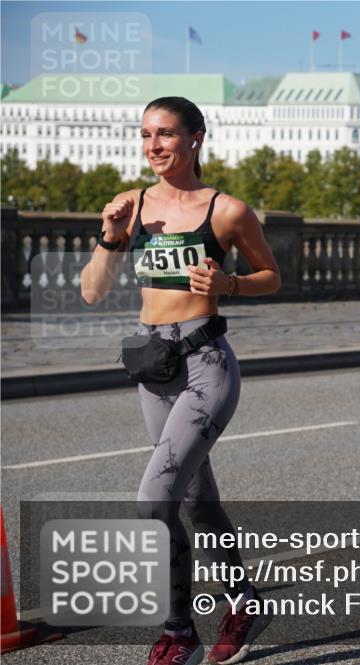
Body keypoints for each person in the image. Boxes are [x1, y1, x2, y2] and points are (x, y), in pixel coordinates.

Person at [80, 96, 281, 665]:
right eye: (145, 135)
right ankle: (245, 603)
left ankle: (179, 631)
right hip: (154, 369)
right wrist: (108, 234)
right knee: (199, 500)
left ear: (195, 138)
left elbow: (272, 276)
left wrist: (228, 283)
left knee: (153, 500)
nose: (153, 146)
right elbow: (92, 292)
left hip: (206, 366)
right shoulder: (130, 205)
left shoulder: (226, 211)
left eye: (165, 134)